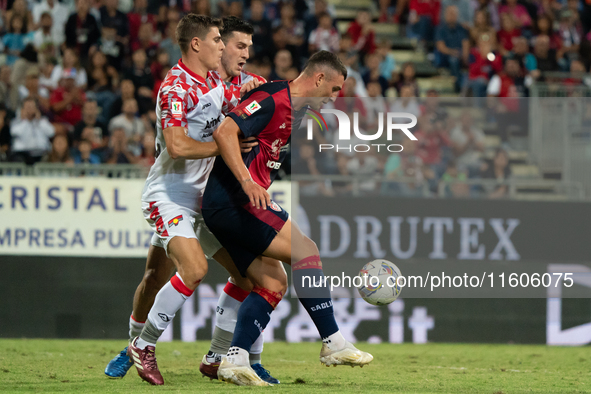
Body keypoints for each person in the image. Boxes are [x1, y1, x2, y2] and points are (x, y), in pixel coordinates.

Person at [105, 15, 272, 385]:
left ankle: (215, 356)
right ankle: (140, 345)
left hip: (206, 201)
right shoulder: (175, 88)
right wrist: (224, 143)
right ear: (197, 44)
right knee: (191, 270)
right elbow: (178, 145)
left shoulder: (218, 80)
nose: (223, 48)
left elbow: (259, 90)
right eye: (218, 40)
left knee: (244, 276)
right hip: (170, 195)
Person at [201, 50, 373, 387]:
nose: (335, 98)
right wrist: (248, 181)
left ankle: (233, 359)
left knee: (273, 284)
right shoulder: (273, 98)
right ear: (319, 78)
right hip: (234, 201)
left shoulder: (297, 110)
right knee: (306, 251)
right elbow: (224, 132)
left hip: (233, 204)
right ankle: (332, 342)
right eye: (335, 89)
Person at [10, 97, 55, 164]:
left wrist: (38, 121)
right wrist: (25, 120)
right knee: (18, 159)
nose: (30, 110)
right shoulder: (16, 122)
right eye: (27, 107)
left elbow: (51, 132)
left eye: (32, 107)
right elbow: (14, 132)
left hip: (41, 153)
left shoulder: (42, 121)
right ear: (22, 109)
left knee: (49, 158)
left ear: (36, 109)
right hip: (22, 153)